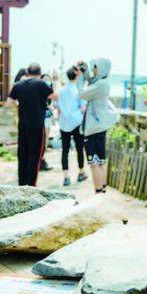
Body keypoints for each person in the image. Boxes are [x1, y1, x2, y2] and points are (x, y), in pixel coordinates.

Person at [5, 62, 57, 186]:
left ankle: (21, 184)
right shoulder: (41, 84)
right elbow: (55, 97)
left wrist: (18, 104)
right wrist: (55, 82)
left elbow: (8, 103)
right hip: (37, 126)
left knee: (22, 155)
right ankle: (31, 185)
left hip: (23, 126)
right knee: (35, 155)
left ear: (27, 73)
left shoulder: (18, 85)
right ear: (39, 74)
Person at [79, 58, 118, 193]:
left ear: (100, 69)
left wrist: (80, 79)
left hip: (93, 128)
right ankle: (102, 190)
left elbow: (82, 94)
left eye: (94, 68)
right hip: (99, 126)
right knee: (100, 161)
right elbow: (91, 80)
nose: (93, 70)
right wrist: (85, 72)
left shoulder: (100, 85)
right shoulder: (103, 83)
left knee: (93, 163)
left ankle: (98, 191)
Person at [56, 67, 88, 186]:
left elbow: (58, 107)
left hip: (64, 123)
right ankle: (81, 173)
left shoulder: (61, 90)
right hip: (77, 122)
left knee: (65, 150)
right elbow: (83, 108)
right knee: (80, 149)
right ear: (77, 76)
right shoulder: (80, 90)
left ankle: (66, 177)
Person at [39, 73, 55, 172]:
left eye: (48, 79)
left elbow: (51, 104)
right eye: (45, 79)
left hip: (47, 117)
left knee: (45, 140)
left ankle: (42, 160)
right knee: (41, 140)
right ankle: (41, 161)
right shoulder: (39, 90)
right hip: (40, 118)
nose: (47, 81)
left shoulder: (50, 92)